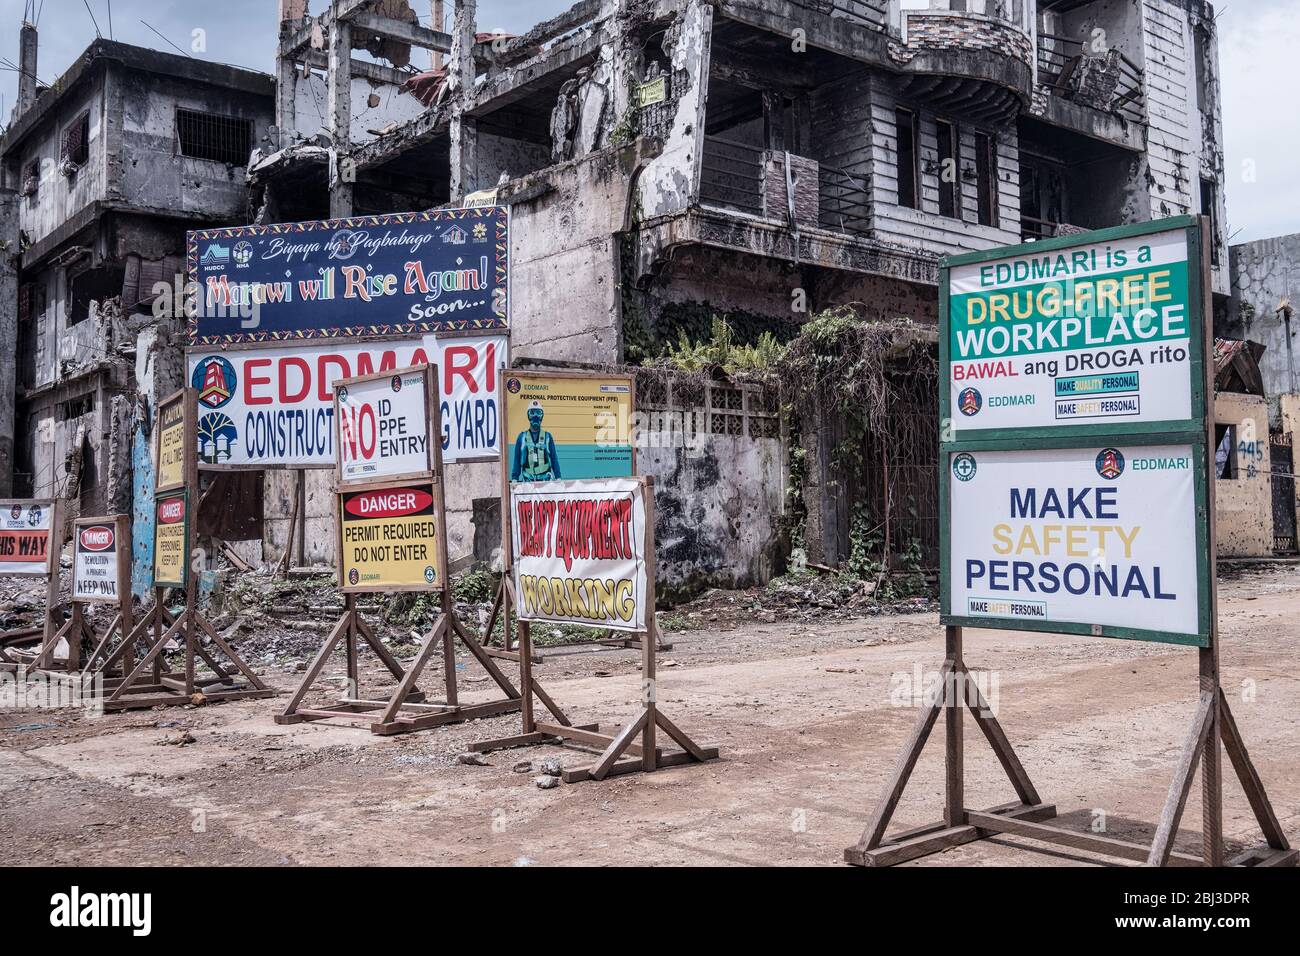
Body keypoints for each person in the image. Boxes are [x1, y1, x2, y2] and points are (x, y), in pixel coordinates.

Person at [511, 400, 562, 481]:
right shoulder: (522, 437)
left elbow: (554, 458)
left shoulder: (547, 437)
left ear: (542, 416)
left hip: (545, 482)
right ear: (528, 416)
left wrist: (558, 476)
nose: (535, 416)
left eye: (538, 413)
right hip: (528, 482)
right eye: (532, 413)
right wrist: (514, 478)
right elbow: (517, 459)